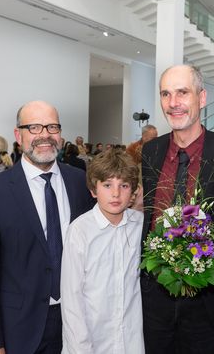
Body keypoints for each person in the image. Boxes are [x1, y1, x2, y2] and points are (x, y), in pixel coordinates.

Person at [140, 65, 214, 354]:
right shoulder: (151, 152)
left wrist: (213, 264)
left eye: (182, 92)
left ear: (201, 98)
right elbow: (148, 216)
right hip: (154, 302)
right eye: (166, 94)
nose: (173, 102)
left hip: (208, 303)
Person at [0, 100, 95, 354]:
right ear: (19, 135)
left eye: (52, 127)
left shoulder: (81, 182)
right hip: (20, 328)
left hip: (79, 324)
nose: (45, 135)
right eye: (34, 127)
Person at [61, 149, 144, 353]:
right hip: (92, 342)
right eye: (107, 185)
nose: (115, 194)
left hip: (131, 341)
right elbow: (72, 300)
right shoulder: (80, 231)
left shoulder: (140, 225)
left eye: (123, 186)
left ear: (133, 190)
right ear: (93, 189)